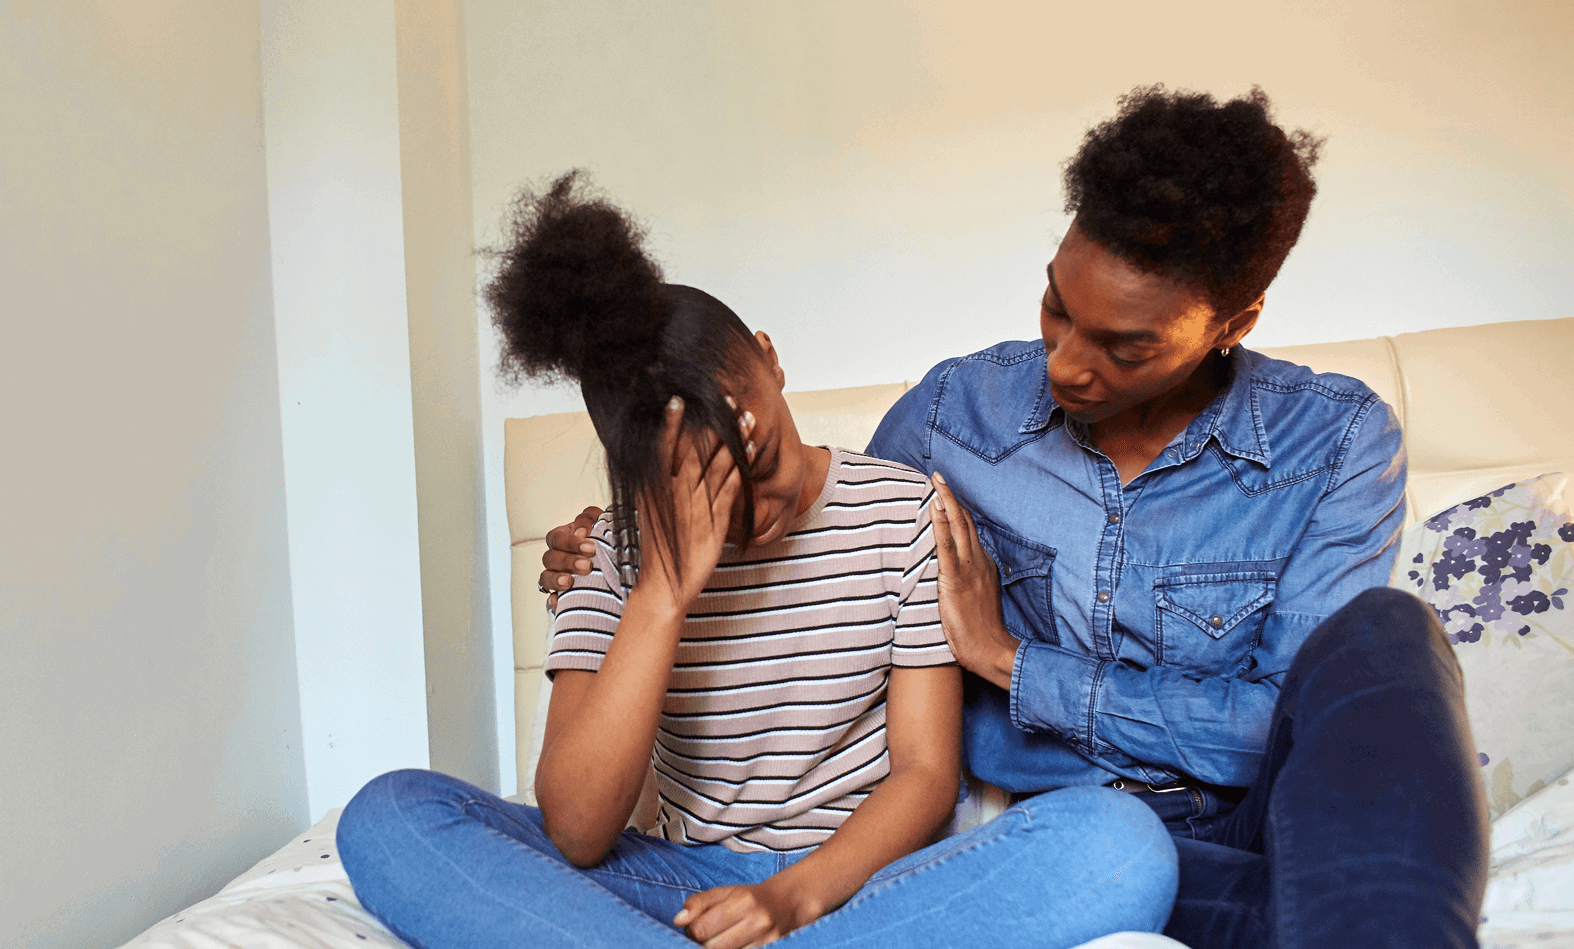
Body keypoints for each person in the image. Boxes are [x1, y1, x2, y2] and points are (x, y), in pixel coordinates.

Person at [537, 88, 1489, 948]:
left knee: (1390, 633)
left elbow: (1281, 727)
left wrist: (1013, 664)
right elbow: (818, 521)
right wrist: (636, 515)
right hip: (1048, 834)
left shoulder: (1335, 440)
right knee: (1140, 863)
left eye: (1125, 346)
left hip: (1267, 813)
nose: (1070, 364)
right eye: (1055, 308)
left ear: (1234, 322)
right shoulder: (955, 416)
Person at [339, 173, 1178, 949]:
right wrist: (665, 587)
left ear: (772, 362)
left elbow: (924, 777)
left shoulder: (903, 511)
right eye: (711, 505)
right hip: (678, 884)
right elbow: (578, 830)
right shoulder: (617, 551)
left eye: (762, 466)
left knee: (1120, 845)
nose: (755, 518)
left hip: (859, 886)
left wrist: (789, 900)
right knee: (388, 816)